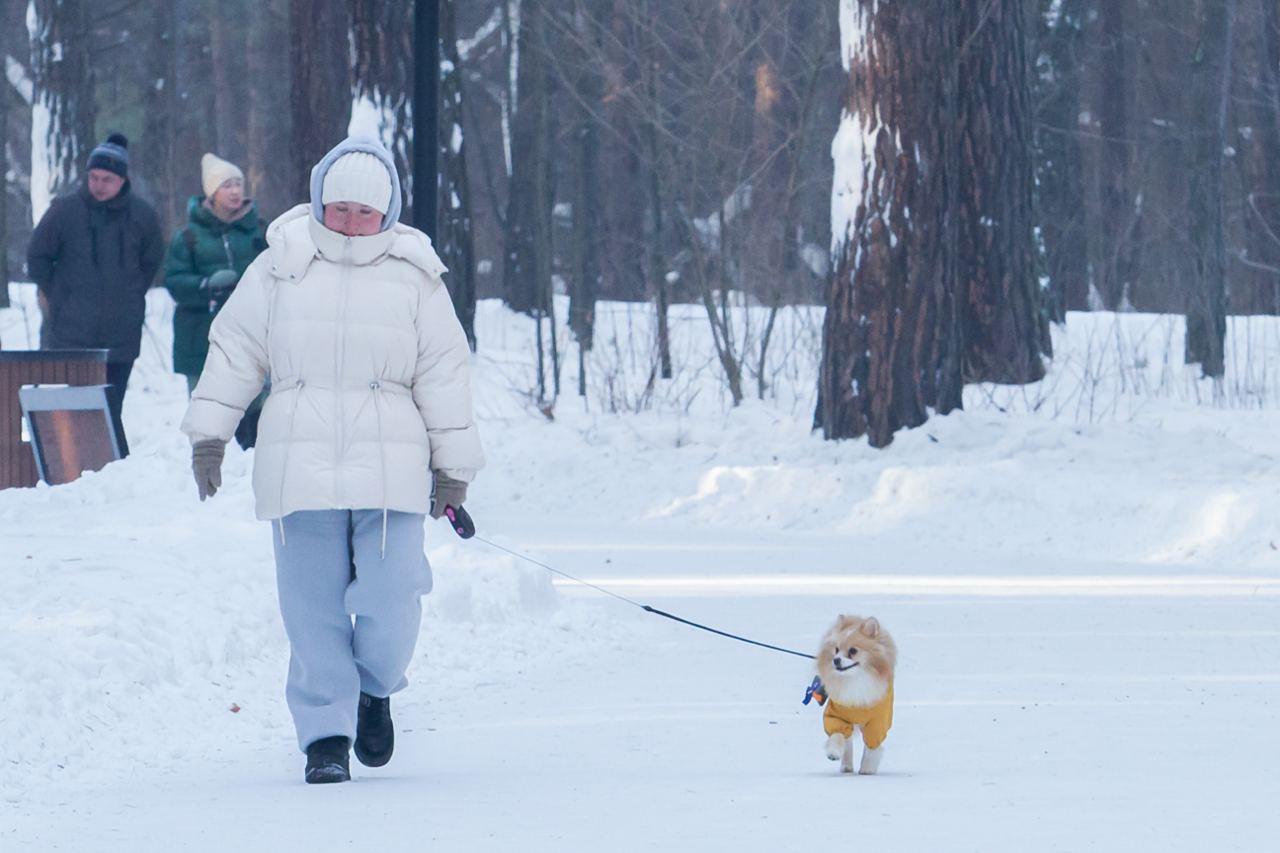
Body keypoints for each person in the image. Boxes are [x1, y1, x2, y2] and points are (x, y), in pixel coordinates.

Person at [180, 136, 483, 784]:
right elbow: (236, 350)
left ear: (387, 213)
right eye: (339, 207)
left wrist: (452, 469)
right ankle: (324, 734)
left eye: (364, 211)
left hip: (391, 468)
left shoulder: (416, 275)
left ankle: (374, 689)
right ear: (320, 200)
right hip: (299, 462)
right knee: (311, 606)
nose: (349, 220)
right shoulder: (281, 263)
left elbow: (445, 374)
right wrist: (210, 432)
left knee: (393, 593)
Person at [26, 132, 164, 456]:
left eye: (107, 179)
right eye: (94, 177)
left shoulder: (142, 216)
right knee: (75, 409)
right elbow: (37, 257)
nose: (99, 185)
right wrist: (60, 295)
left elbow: (152, 261)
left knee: (111, 408)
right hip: (72, 334)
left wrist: (128, 295)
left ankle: (113, 468)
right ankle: (71, 466)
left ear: (123, 180)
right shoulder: (64, 211)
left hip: (121, 333)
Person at [163, 153, 268, 448]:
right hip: (201, 336)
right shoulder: (188, 238)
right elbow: (174, 281)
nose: (235, 191)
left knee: (258, 403)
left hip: (252, 334)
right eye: (227, 185)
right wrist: (206, 285)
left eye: (238, 184)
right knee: (209, 406)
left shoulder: (259, 231)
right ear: (212, 192)